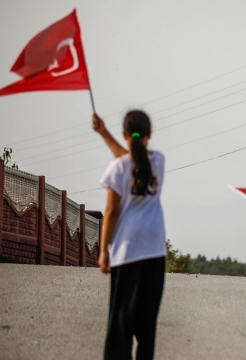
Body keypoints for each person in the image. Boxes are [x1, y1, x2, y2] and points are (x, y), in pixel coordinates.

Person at [95, 110, 166, 360]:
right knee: (147, 325)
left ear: (125, 135)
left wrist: (103, 251)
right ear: (150, 134)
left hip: (126, 251)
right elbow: (134, 157)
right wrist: (104, 133)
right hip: (155, 250)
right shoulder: (159, 161)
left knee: (121, 324)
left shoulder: (118, 167)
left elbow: (111, 211)